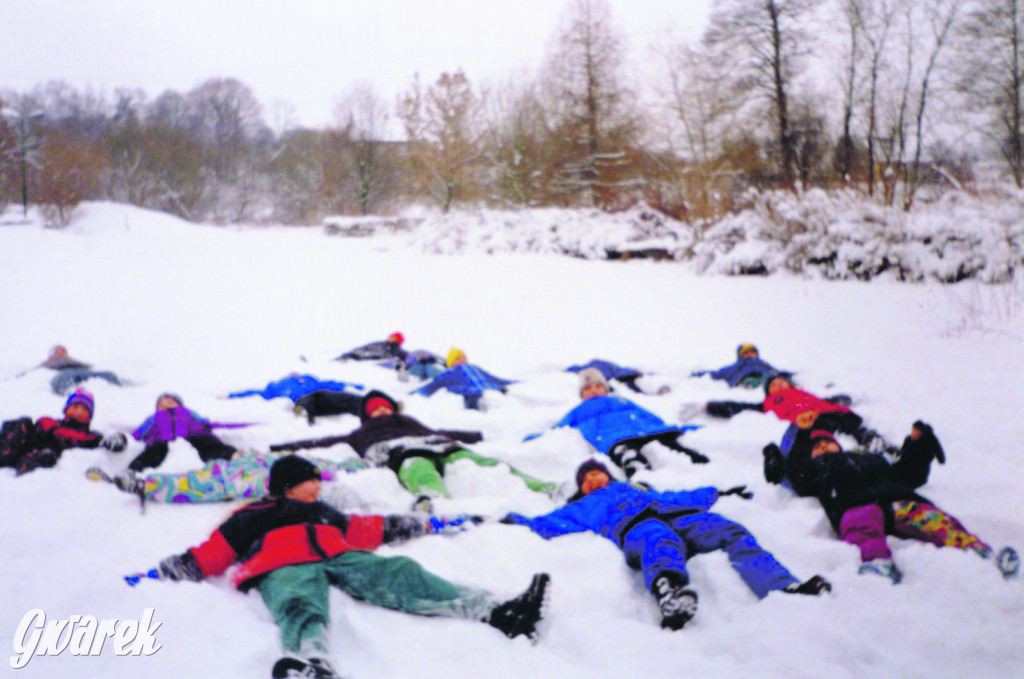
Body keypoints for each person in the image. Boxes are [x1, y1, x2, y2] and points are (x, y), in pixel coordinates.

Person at [152, 455, 551, 678]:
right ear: (287, 484)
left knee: (400, 572)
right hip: (281, 562)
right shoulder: (254, 513)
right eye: (310, 480)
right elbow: (215, 551)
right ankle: (311, 661)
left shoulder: (326, 513)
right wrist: (171, 569)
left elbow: (371, 528)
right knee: (298, 599)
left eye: (318, 480)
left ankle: (498, 610)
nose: (318, 486)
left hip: (339, 555)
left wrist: (424, 523)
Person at [501, 459, 830, 631]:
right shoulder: (580, 506)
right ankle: (669, 593)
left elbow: (679, 497)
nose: (592, 480)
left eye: (596, 474)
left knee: (728, 529)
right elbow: (545, 524)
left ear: (608, 476)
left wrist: (719, 492)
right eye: (585, 479)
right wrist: (511, 520)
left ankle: (781, 585)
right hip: (636, 527)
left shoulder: (639, 488)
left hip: (679, 516)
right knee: (658, 540)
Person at [778, 425, 1020, 583]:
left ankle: (977, 551)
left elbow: (909, 474)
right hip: (854, 504)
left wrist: (919, 445)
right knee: (860, 526)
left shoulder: (872, 460)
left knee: (932, 518)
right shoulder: (815, 471)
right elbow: (796, 479)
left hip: (896, 499)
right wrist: (780, 456)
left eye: (827, 443)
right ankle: (877, 563)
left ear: (839, 445)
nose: (822, 447)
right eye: (816, 447)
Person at [270, 390, 562, 502]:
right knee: (418, 470)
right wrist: (283, 447)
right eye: (375, 409)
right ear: (367, 415)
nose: (381, 411)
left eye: (385, 407)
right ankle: (437, 503)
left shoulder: (408, 420)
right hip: (402, 453)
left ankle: (543, 487)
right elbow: (325, 441)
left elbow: (437, 432)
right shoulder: (360, 433)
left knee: (490, 465)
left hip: (440, 445)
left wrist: (475, 435)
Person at [526, 368, 708, 478]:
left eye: (598, 386)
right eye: (588, 388)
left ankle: (699, 462)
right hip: (614, 437)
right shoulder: (579, 410)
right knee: (625, 451)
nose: (594, 390)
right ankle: (637, 471)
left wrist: (663, 425)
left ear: (606, 388)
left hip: (644, 429)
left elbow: (645, 414)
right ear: (581, 394)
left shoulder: (620, 400)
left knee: (668, 441)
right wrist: (535, 438)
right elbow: (559, 429)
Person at [88, 450, 368, 505]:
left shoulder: (273, 465)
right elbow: (189, 483)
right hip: (236, 474)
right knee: (197, 482)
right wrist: (148, 485)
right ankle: (140, 484)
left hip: (268, 476)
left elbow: (319, 463)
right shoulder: (224, 474)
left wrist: (353, 465)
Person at [705, 373, 891, 454]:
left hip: (827, 412)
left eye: (781, 381)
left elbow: (825, 401)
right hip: (807, 421)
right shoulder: (768, 403)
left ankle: (872, 440)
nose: (778, 384)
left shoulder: (802, 393)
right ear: (769, 392)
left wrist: (842, 400)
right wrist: (714, 407)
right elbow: (740, 407)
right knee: (821, 435)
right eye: (773, 384)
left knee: (849, 424)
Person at [0, 388, 126, 475]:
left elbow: (112, 440)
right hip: (24, 448)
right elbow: (36, 430)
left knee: (47, 456)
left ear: (90, 417)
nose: (79, 411)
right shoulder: (49, 422)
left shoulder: (91, 436)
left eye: (84, 410)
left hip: (44, 458)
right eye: (75, 407)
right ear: (66, 410)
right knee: (23, 422)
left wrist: (118, 440)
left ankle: (26, 468)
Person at [127, 393, 246, 472]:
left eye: (170, 401)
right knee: (154, 451)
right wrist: (124, 439)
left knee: (207, 443)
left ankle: (234, 456)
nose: (165, 403)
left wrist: (243, 425)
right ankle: (134, 470)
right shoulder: (153, 418)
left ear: (179, 404)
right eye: (161, 404)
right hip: (164, 442)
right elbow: (137, 434)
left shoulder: (187, 413)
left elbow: (206, 423)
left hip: (192, 438)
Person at [227, 373, 365, 424]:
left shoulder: (310, 380)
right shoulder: (276, 386)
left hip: (318, 398)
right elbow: (256, 392)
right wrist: (233, 395)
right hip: (299, 401)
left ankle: (364, 405)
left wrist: (353, 386)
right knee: (307, 401)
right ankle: (304, 414)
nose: (294, 375)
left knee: (339, 397)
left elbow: (330, 384)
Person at [413, 348, 516, 410]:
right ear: (452, 361)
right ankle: (475, 411)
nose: (463, 360)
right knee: (472, 394)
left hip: (487, 386)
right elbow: (436, 382)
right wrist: (418, 393)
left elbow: (490, 376)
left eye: (464, 357)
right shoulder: (451, 371)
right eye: (459, 358)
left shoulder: (474, 367)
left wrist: (507, 382)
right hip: (467, 388)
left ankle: (504, 403)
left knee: (498, 392)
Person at [691, 343, 793, 389]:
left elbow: (775, 371)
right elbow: (717, 373)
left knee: (780, 379)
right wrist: (698, 374)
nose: (749, 354)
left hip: (766, 377)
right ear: (741, 356)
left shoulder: (763, 363)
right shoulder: (736, 366)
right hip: (746, 378)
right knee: (752, 381)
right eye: (746, 353)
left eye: (752, 352)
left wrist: (787, 375)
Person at [39, 345, 124, 395]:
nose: (60, 353)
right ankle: (69, 392)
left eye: (63, 351)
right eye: (57, 351)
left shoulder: (71, 360)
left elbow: (85, 365)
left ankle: (118, 389)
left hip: (80, 371)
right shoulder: (48, 362)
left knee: (108, 374)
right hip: (65, 372)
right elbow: (39, 370)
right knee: (66, 375)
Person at [565, 359, 667, 395]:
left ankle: (642, 394)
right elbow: (619, 368)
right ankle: (643, 394)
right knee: (632, 386)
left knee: (629, 386)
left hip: (615, 377)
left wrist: (567, 370)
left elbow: (576, 368)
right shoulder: (606, 363)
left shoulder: (590, 366)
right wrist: (638, 372)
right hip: (623, 375)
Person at [335, 332, 408, 362]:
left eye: (394, 338)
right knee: (348, 355)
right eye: (391, 336)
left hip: (380, 366)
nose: (390, 338)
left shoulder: (400, 352)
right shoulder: (380, 344)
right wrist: (359, 353)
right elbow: (363, 348)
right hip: (366, 359)